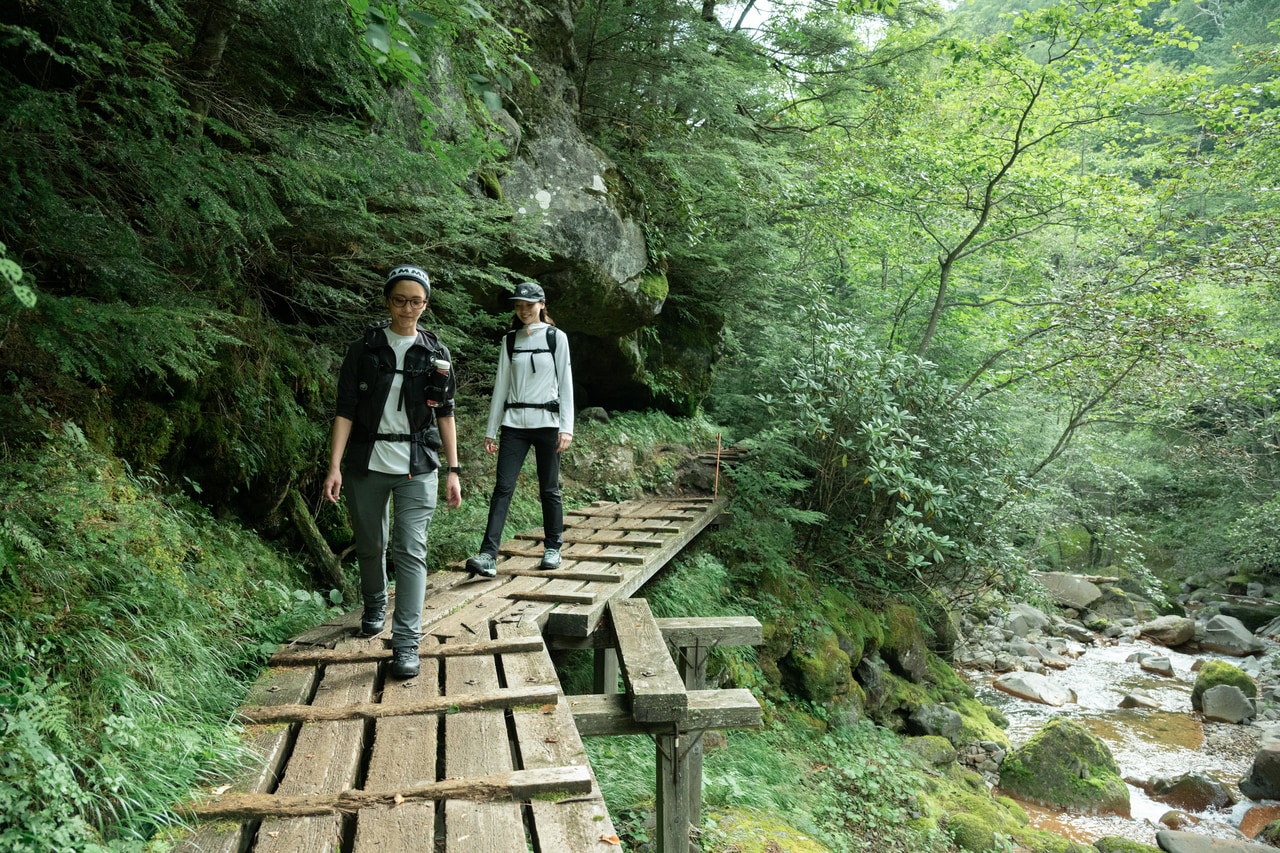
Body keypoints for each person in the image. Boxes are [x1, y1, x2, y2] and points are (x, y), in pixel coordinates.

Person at [322, 265, 462, 679]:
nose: (407, 308)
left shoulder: (436, 353)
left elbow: (446, 414)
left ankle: (405, 646)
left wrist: (453, 469)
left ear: (426, 305)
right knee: (371, 544)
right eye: (400, 299)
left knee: (411, 551)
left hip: (418, 465)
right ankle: (374, 603)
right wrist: (334, 466)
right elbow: (345, 409)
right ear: (388, 301)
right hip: (368, 460)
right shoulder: (363, 349)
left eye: (416, 301)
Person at [465, 281, 574, 578]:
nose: (523, 310)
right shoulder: (510, 341)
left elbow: (565, 383)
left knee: (549, 489)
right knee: (503, 488)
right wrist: (491, 429)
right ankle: (488, 555)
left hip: (548, 426)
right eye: (518, 305)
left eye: (529, 305)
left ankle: (553, 547)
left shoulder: (556, 338)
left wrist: (567, 428)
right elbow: (501, 386)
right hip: (514, 426)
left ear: (541, 305)